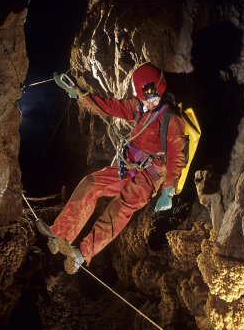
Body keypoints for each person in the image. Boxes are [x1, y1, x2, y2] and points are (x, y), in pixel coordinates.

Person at [36, 63, 186, 274]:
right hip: (127, 165)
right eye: (144, 98)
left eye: (150, 96)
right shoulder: (138, 107)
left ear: (160, 88)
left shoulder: (172, 120)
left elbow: (177, 157)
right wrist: (79, 96)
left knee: (118, 210)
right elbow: (111, 106)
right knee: (91, 184)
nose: (148, 101)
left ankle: (82, 254)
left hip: (149, 177)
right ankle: (60, 233)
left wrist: (168, 190)